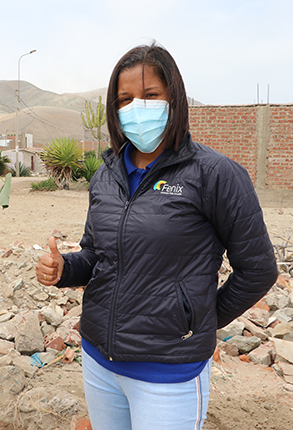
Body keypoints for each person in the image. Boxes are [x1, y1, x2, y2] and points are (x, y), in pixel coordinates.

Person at [36, 43, 278, 430]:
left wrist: (200, 319)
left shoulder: (215, 174)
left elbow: (259, 270)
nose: (136, 108)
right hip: (100, 361)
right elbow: (96, 254)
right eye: (125, 99)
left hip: (170, 375)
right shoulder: (106, 175)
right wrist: (64, 268)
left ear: (174, 99)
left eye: (150, 96)